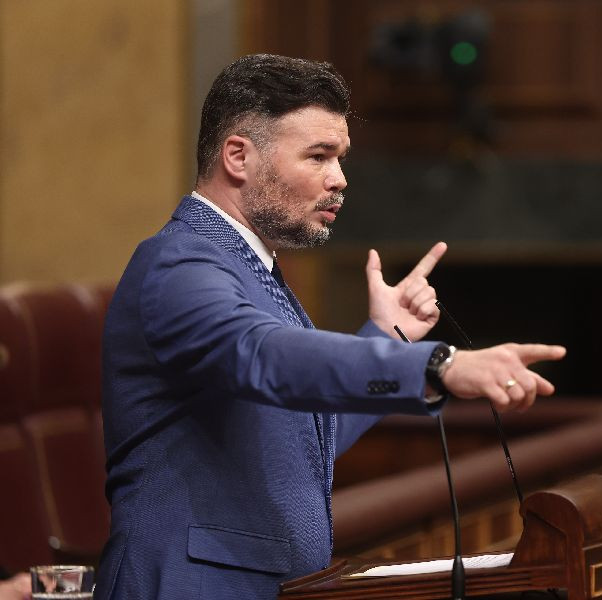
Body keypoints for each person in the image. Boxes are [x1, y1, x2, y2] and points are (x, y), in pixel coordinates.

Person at [95, 54, 565, 600]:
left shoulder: (249, 267)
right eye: (318, 156)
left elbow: (302, 432)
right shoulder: (179, 264)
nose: (340, 179)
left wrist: (385, 334)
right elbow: (262, 354)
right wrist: (437, 365)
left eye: (340, 158)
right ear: (238, 156)